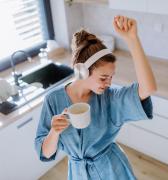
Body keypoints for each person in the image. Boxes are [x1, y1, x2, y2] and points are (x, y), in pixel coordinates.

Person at [35, 15, 157, 180]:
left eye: (111, 77)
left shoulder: (109, 99)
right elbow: (45, 152)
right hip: (78, 174)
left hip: (113, 171)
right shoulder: (53, 101)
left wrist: (132, 39)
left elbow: (148, 88)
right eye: (103, 77)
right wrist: (54, 132)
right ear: (82, 71)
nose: (108, 83)